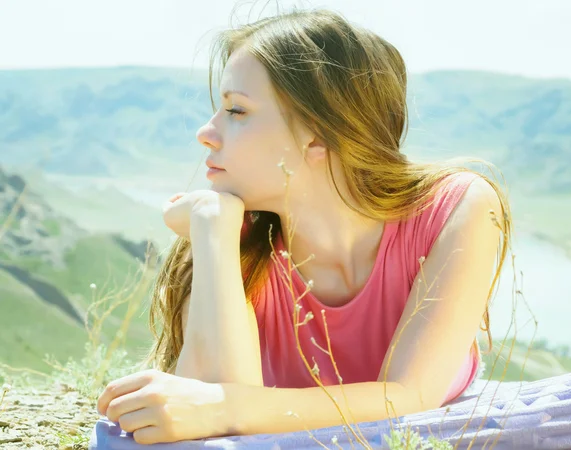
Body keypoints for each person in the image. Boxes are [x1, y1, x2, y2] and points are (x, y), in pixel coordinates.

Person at [96, 5, 512, 445]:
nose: (206, 131)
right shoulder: (227, 238)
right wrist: (211, 227)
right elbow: (217, 434)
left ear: (319, 135)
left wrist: (224, 405)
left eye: (236, 111)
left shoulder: (456, 208)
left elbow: (411, 396)